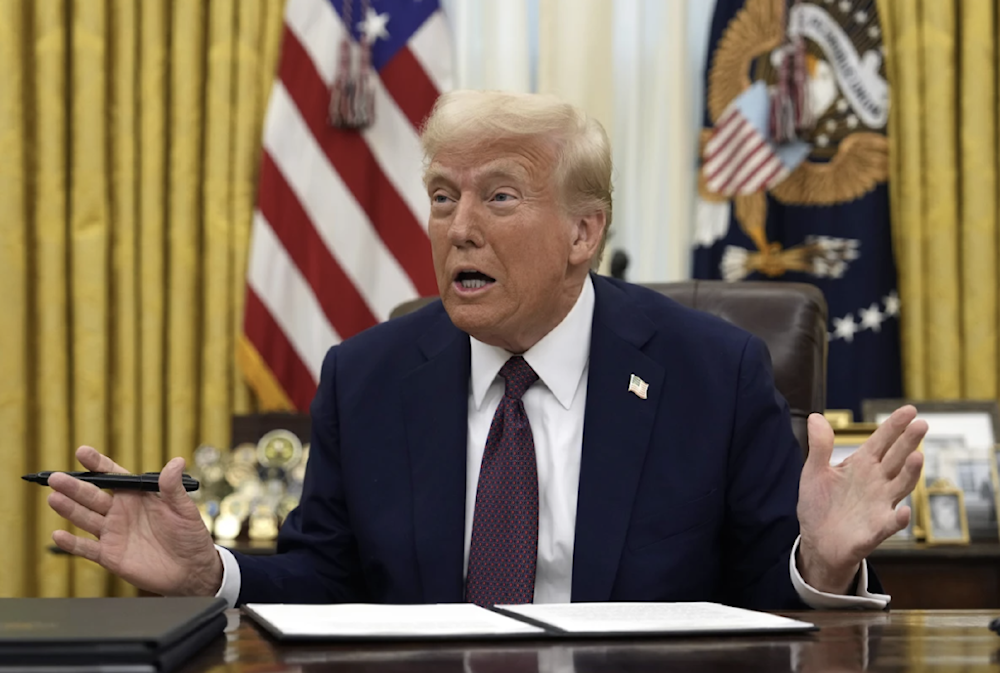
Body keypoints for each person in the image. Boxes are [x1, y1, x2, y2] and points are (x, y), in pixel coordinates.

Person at [45, 90, 927, 610]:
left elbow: (766, 601)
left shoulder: (712, 372)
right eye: (442, 196)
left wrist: (824, 562)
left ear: (584, 232)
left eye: (499, 197)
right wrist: (214, 573)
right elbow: (328, 581)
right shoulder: (367, 377)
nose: (458, 227)